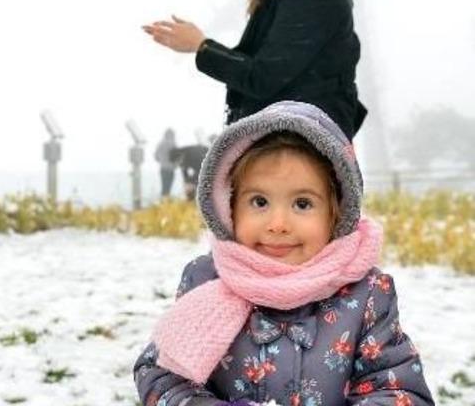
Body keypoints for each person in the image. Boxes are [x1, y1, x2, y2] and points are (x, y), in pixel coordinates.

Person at [134, 101, 433, 405]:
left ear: (336, 213)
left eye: (302, 204)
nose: (278, 224)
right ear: (229, 208)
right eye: (259, 202)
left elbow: (399, 391)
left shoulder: (365, 295)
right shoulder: (207, 279)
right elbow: (162, 374)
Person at [142, 0, 367, 140]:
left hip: (298, 143)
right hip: (291, 135)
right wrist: (200, 46)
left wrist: (201, 46)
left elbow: (262, 77)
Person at [155, 129, 179, 198]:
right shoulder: (173, 144)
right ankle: (166, 201)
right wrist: (175, 165)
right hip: (171, 169)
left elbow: (156, 156)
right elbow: (177, 157)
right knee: (168, 188)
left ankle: (163, 201)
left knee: (164, 187)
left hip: (163, 169)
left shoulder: (160, 144)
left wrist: (162, 161)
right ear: (172, 135)